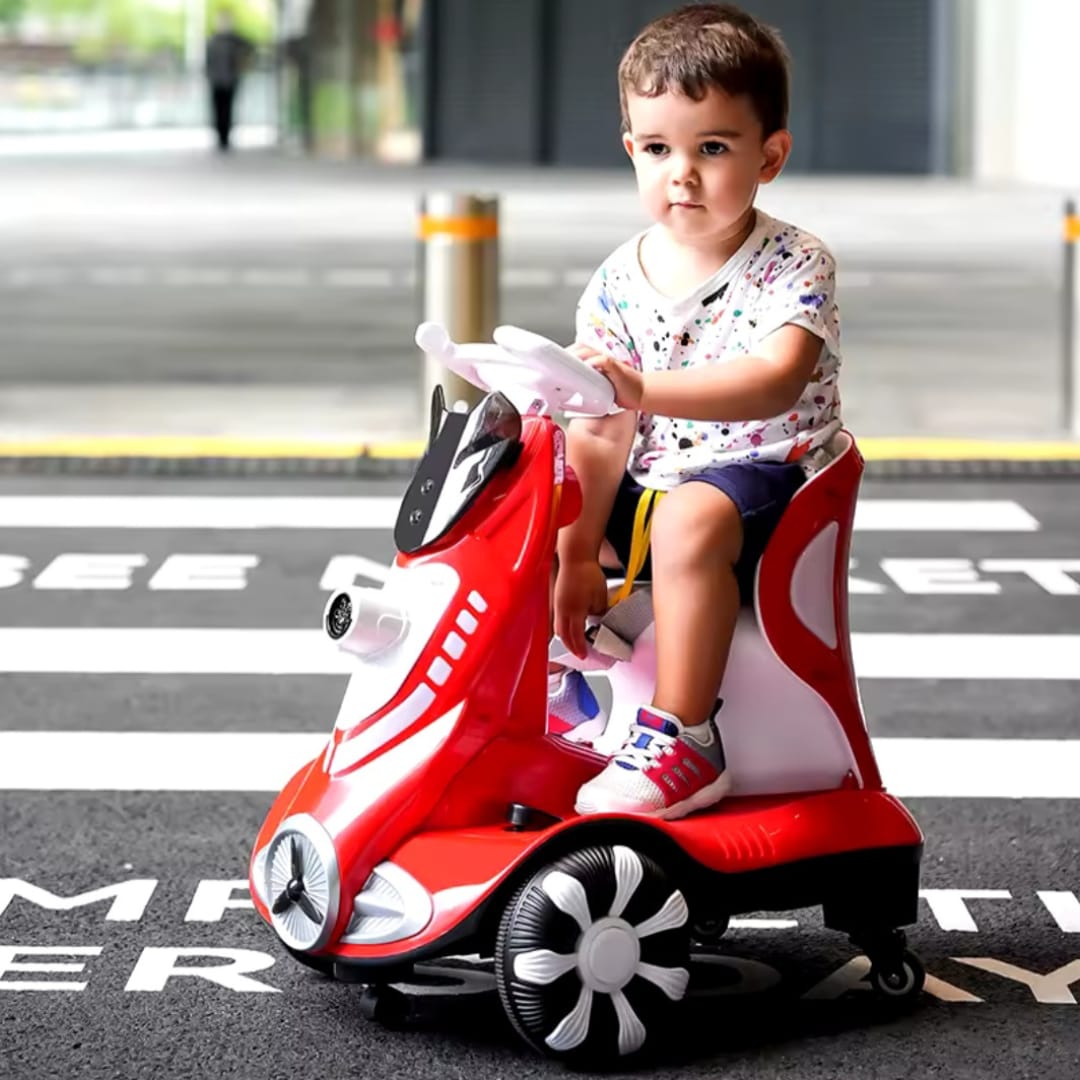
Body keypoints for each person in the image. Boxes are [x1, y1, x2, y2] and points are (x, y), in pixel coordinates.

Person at [550, 3, 842, 819]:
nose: (682, 173)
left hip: (769, 475)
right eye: (657, 149)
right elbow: (601, 428)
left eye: (712, 148)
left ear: (770, 155)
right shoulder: (617, 278)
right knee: (531, 504)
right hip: (660, 478)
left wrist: (637, 389)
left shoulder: (795, 262)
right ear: (631, 151)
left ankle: (686, 735)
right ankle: (564, 681)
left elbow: (772, 380)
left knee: (685, 522)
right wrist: (575, 548)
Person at [205, 9, 254, 152]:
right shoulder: (212, 40)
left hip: (231, 80)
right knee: (217, 110)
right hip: (216, 81)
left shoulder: (235, 40)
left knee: (228, 110)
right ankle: (220, 138)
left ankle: (226, 138)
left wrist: (242, 65)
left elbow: (249, 48)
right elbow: (208, 61)